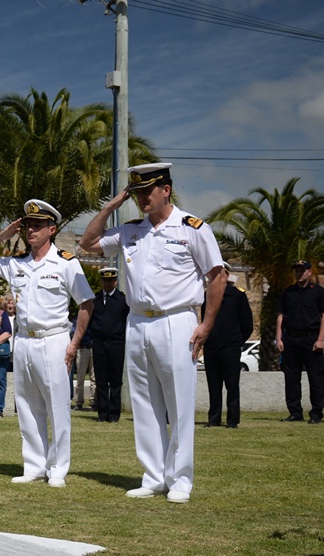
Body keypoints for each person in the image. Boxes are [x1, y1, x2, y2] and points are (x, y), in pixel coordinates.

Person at [80, 162, 224, 504]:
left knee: (179, 402)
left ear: (166, 190)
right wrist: (109, 208)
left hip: (177, 320)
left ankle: (181, 478)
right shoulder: (131, 231)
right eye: (137, 193)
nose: (142, 198)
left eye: (148, 191)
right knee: (144, 403)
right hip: (138, 320)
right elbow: (88, 243)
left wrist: (206, 325)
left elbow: (216, 276)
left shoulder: (193, 228)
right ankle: (154, 475)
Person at [0, 200, 94, 488]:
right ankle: (34, 465)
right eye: (28, 225)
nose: (31, 230)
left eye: (38, 225)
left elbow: (87, 303)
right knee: (26, 406)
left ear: (52, 229)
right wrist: (4, 235)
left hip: (53, 339)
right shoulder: (17, 263)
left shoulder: (65, 262)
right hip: (24, 341)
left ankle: (58, 468)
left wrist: (74, 343)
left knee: (57, 407)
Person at [276, 260, 324, 424]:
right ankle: (295, 412)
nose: (299, 273)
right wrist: (279, 338)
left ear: (309, 272)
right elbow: (280, 316)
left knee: (316, 379)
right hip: (291, 339)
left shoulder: (318, 292)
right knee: (291, 379)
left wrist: (320, 339)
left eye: (302, 270)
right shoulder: (288, 292)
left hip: (311, 339)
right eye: (296, 271)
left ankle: (316, 413)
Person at [202, 262, 253, 428]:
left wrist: (236, 341)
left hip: (230, 347)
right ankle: (214, 418)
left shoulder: (237, 296)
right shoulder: (207, 295)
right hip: (211, 347)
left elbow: (247, 325)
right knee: (213, 385)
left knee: (232, 384)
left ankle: (232, 420)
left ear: (227, 275)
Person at [89, 267, 129, 423]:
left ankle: (114, 413)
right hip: (99, 343)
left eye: (110, 280)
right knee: (101, 379)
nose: (107, 283)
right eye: (105, 281)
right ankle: (102, 413)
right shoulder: (95, 299)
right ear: (101, 281)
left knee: (115, 380)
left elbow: (127, 320)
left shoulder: (123, 300)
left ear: (115, 281)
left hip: (116, 343)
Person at [73, 323, 94, 410]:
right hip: (82, 348)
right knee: (80, 378)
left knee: (94, 377)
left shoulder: (95, 317)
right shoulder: (78, 319)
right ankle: (79, 401)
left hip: (93, 347)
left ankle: (94, 401)